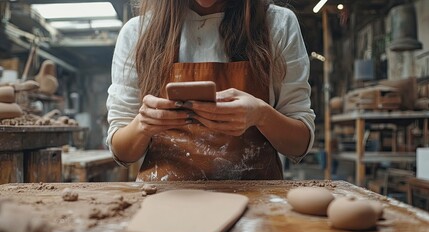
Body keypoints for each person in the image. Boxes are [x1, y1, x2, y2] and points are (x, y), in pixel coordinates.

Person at [106, 0, 315, 181]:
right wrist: (143, 125)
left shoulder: (278, 24)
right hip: (164, 195)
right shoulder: (138, 33)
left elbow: (298, 145)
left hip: (255, 200)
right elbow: (122, 152)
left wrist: (261, 115)